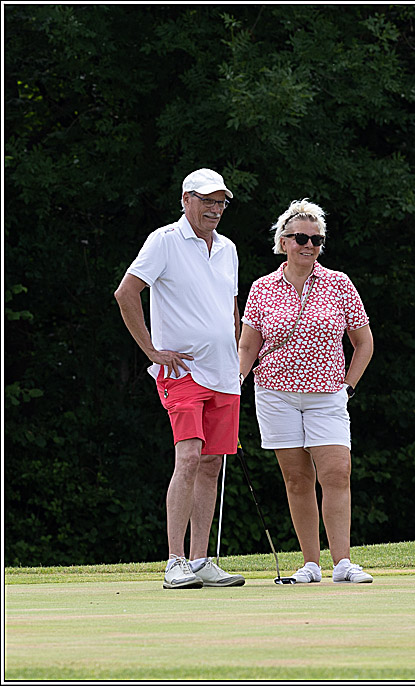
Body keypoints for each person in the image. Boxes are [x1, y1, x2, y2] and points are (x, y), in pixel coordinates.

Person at [114, 168, 246, 589]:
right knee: (188, 457)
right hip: (182, 372)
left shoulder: (228, 249)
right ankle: (175, 561)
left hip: (225, 375)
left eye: (221, 202)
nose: (215, 209)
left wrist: (238, 355)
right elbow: (125, 292)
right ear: (185, 200)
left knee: (211, 465)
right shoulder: (164, 240)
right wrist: (152, 351)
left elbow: (230, 310)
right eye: (207, 200)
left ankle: (201, 559)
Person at [238, 198, 375, 584]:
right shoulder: (262, 288)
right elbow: (248, 346)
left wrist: (348, 386)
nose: (308, 245)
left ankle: (343, 563)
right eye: (300, 238)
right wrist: (237, 381)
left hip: (328, 394)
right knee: (297, 479)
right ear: (283, 242)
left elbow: (363, 342)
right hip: (275, 393)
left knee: (337, 473)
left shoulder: (339, 283)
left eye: (316, 239)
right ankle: (311, 565)